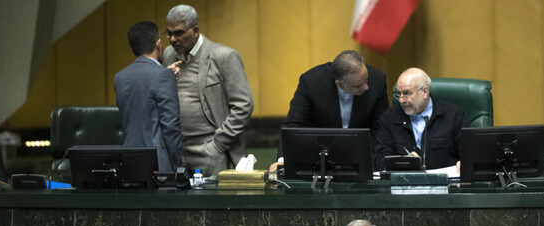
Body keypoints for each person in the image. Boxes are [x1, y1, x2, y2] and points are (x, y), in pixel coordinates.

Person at [163, 4, 254, 177]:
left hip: (209, 150)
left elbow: (244, 105)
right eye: (169, 33)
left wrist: (218, 144)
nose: (173, 39)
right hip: (177, 149)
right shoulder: (168, 54)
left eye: (179, 33)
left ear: (195, 31)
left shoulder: (224, 56)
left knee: (213, 195)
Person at [273, 50, 389, 170]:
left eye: (366, 79)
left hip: (362, 154)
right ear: (339, 84)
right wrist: (283, 160)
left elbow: (379, 128)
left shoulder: (378, 80)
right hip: (320, 155)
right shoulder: (311, 82)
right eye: (358, 85)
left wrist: (378, 164)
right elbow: (293, 125)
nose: (366, 87)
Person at [114, 21, 182, 172]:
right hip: (159, 164)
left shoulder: (119, 78)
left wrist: (165, 74)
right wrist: (178, 164)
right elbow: (171, 125)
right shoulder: (163, 76)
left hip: (129, 163)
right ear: (158, 43)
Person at [373, 67, 470, 171]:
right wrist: (403, 163)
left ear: (425, 92)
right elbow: (380, 159)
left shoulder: (455, 116)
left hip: (445, 180)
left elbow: (469, 155)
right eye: (399, 94)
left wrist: (464, 164)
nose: (401, 100)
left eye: (407, 93)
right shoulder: (389, 118)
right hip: (404, 180)